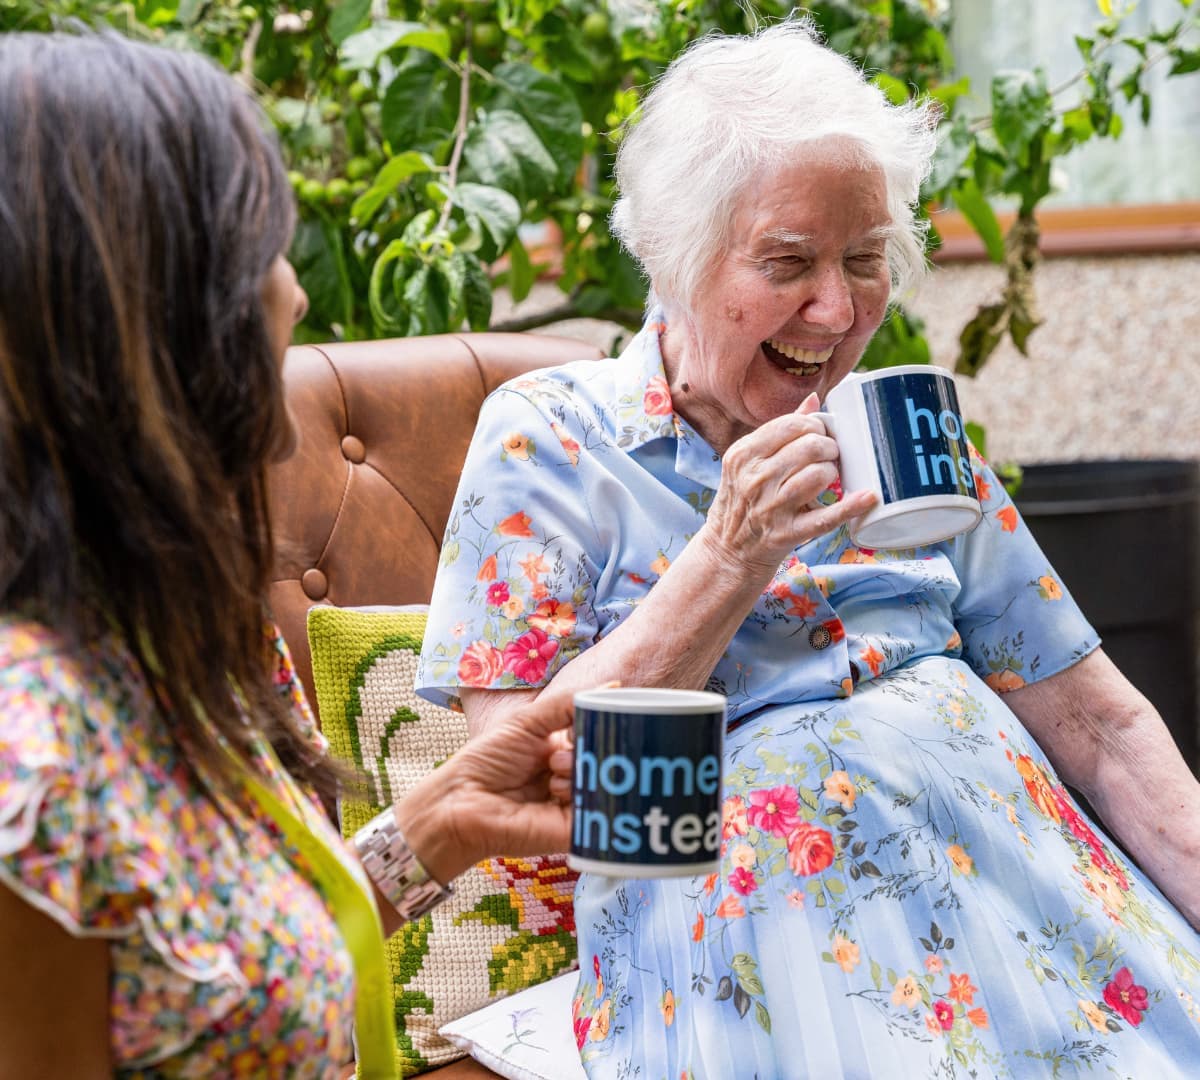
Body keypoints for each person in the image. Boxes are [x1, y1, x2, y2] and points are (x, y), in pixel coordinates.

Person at [416, 20, 1200, 1079]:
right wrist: (726, 561)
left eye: (866, 259)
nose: (837, 309)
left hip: (1029, 914)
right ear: (679, 257)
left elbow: (1102, 727)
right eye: (788, 263)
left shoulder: (903, 435)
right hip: (766, 961)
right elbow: (531, 790)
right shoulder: (552, 439)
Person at [0, 31, 576, 1078]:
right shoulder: (30, 764)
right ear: (156, 306)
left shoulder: (184, 635)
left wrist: (447, 821)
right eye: (259, 243)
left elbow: (233, 970)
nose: (294, 289)